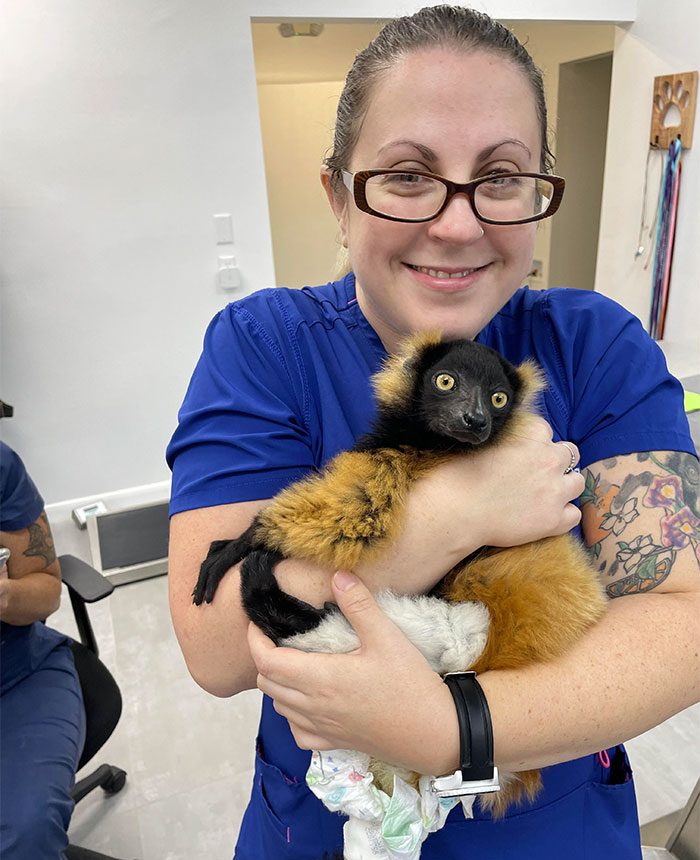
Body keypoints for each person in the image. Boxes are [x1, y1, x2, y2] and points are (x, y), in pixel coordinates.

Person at [167, 6, 700, 858]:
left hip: (548, 819)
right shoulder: (264, 348)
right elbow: (219, 644)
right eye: (409, 175)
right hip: (324, 826)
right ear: (340, 198)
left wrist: (456, 727)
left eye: (500, 177)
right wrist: (461, 512)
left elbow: (683, 625)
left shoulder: (594, 347)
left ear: (536, 198)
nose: (458, 224)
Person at [0, 440, 86, 858]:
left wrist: (4, 595)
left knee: (27, 831)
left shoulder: (1, 467)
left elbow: (46, 591)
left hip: (19, 674)